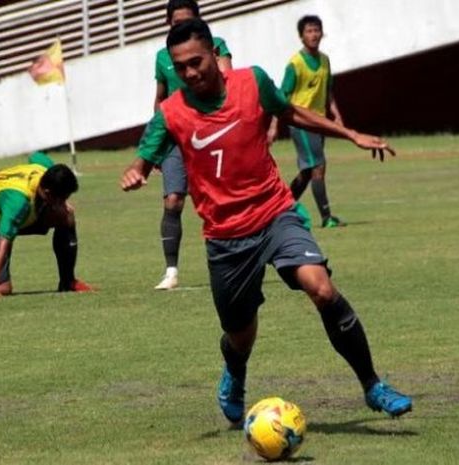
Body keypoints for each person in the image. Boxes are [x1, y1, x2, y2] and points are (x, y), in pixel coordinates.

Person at [121, 19, 411, 425]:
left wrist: (350, 134)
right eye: (180, 66)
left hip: (275, 213)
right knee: (240, 335)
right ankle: (235, 373)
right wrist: (135, 171)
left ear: (214, 55)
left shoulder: (252, 83)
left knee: (322, 289)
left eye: (195, 62)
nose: (188, 73)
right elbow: (144, 155)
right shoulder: (172, 112)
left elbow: (290, 112)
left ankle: (372, 385)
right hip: (225, 236)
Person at [151, 0, 232, 290]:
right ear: (168, 23)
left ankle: (236, 259)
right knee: (173, 201)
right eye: (176, 23)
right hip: (176, 137)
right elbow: (160, 99)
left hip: (211, 134)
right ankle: (171, 271)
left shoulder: (217, 45)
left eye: (187, 21)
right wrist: (155, 146)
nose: (181, 26)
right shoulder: (163, 57)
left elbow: (228, 81)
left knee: (220, 199)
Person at [0, 152, 93, 297]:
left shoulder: (44, 171)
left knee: (66, 216)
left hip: (17, 217)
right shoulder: (17, 202)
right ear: (47, 192)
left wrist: (61, 204)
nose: (64, 202)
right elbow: (4, 242)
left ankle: (68, 281)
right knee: (2, 289)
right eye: (62, 198)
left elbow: (36, 156)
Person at [268, 15, 346, 228]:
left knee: (308, 171)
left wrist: (336, 115)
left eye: (316, 30)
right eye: (309, 31)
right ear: (301, 36)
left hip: (318, 121)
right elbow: (281, 96)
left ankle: (281, 210)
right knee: (318, 166)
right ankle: (326, 217)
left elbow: (328, 92)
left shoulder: (324, 60)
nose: (313, 35)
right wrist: (274, 126)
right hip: (300, 121)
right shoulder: (295, 64)